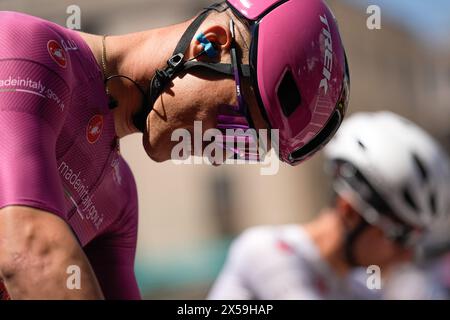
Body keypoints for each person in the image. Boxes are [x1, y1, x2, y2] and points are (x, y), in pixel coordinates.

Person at [0, 0, 349, 299]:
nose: (216, 155)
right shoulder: (28, 50)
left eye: (245, 147)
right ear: (210, 45)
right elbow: (30, 249)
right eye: (234, 125)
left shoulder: (120, 196)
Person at [208, 112, 450, 300]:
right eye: (401, 235)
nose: (407, 254)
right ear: (350, 212)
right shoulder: (266, 251)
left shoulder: (363, 290)